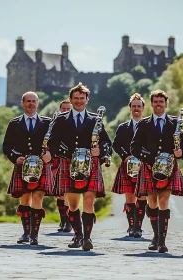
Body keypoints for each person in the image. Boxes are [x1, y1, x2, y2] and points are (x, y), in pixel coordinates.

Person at [48, 83, 112, 251]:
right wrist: (55, 154)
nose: (78, 101)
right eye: (75, 98)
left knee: (89, 199)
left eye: (81, 98)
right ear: (70, 100)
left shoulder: (95, 120)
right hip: (68, 163)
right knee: (74, 204)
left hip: (90, 164)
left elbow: (106, 140)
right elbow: (53, 142)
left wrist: (102, 152)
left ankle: (87, 238)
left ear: (86, 100)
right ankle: (78, 235)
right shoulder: (61, 120)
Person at [130, 89, 183, 253]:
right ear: (151, 104)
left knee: (163, 202)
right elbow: (134, 147)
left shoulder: (176, 123)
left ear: (166, 104)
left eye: (161, 102)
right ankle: (156, 236)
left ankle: (162, 241)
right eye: (155, 102)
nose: (158, 105)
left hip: (168, 168)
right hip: (149, 166)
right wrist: (148, 157)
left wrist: (181, 152)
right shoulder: (144, 124)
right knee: (152, 203)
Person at [3, 91, 54, 245]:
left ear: (38, 103)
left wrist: (50, 154)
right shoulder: (14, 123)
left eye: (34, 101)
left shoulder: (47, 123)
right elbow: (6, 146)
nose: (31, 104)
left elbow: (55, 143)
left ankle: (34, 234)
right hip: (22, 166)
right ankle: (26, 233)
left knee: (38, 197)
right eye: (28, 101)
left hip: (41, 165)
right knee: (25, 199)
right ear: (22, 103)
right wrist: (14, 157)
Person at [111, 93, 147, 238]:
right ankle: (131, 226)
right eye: (134, 106)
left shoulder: (148, 126)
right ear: (130, 108)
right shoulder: (123, 127)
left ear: (143, 108)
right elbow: (116, 144)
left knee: (142, 197)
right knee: (130, 198)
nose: (136, 108)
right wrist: (125, 156)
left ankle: (138, 226)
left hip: (144, 166)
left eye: (139, 106)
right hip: (127, 166)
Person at [52, 100, 73, 232]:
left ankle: (69, 221)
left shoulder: (74, 123)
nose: (65, 110)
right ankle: (63, 221)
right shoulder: (55, 123)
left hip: (70, 160)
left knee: (68, 192)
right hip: (56, 160)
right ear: (60, 109)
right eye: (63, 108)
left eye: (67, 109)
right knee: (60, 193)